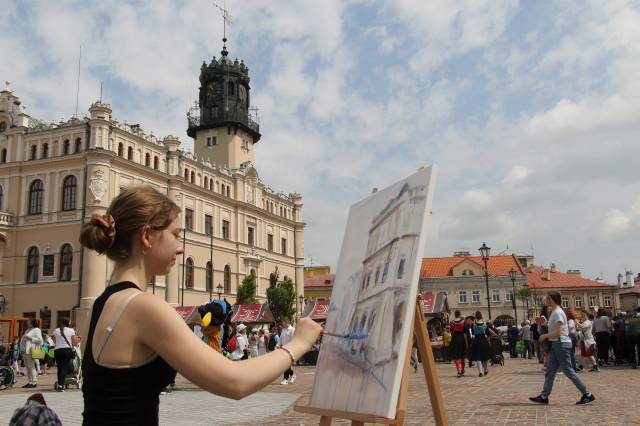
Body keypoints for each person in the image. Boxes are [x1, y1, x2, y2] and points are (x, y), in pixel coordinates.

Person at [78, 186, 322, 425]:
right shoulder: (144, 307)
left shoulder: (102, 303)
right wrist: (298, 344)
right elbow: (235, 382)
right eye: (175, 234)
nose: (180, 247)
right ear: (146, 236)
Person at [529, 292, 595, 405]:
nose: (546, 301)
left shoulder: (558, 312)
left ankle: (587, 394)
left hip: (561, 344)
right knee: (550, 371)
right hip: (557, 344)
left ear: (552, 299)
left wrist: (544, 336)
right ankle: (544, 396)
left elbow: (559, 333)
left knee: (568, 371)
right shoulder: (555, 312)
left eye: (547, 298)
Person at [52, 318, 77, 391]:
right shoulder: (71, 330)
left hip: (58, 350)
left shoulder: (56, 330)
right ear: (68, 323)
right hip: (66, 350)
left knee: (59, 368)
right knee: (64, 368)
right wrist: (72, 347)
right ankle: (61, 385)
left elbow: (54, 340)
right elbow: (74, 341)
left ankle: (60, 384)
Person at [19, 319, 43, 388]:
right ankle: (30, 381)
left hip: (31, 350)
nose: (27, 323)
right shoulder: (27, 330)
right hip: (25, 351)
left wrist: (31, 338)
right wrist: (22, 349)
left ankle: (34, 382)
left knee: (31, 366)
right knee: (27, 367)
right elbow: (23, 340)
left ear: (32, 322)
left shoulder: (37, 329)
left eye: (28, 322)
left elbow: (40, 340)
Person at [469, 311, 493, 377]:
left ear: (476, 316)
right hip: (483, 340)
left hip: (476, 340)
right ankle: (485, 370)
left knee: (478, 357)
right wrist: (489, 342)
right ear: (481, 316)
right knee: (484, 357)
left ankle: (480, 372)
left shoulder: (473, 325)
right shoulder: (485, 324)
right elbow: (488, 335)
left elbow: (472, 334)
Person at [449, 311, 468, 377]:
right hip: (462, 338)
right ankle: (462, 369)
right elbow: (466, 333)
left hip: (454, 339)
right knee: (462, 355)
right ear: (460, 314)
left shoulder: (452, 322)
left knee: (456, 356)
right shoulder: (464, 322)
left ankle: (458, 371)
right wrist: (467, 342)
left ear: (455, 314)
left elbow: (451, 332)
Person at [279, 317, 296, 385]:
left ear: (287, 322)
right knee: (286, 365)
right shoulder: (283, 330)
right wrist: (277, 345)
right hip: (283, 349)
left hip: (289, 350)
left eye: (283, 322)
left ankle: (285, 379)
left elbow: (293, 340)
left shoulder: (292, 330)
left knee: (286, 365)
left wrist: (291, 349)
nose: (282, 324)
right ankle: (292, 375)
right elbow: (280, 339)